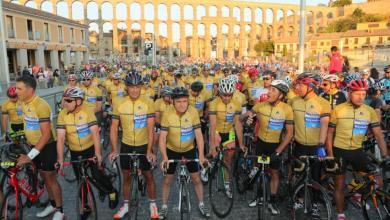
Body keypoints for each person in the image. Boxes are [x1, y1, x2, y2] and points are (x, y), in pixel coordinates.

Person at [326, 79, 389, 220]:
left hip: (357, 150)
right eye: (357, 94)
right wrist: (330, 154)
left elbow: (378, 134)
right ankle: (341, 213)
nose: (361, 97)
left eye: (363, 94)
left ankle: (356, 193)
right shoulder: (339, 109)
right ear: (349, 93)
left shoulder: (369, 111)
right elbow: (329, 133)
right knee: (339, 185)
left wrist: (385, 156)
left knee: (376, 180)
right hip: (339, 150)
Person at [56, 87, 119, 211]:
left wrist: (97, 153)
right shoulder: (62, 114)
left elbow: (95, 133)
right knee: (81, 180)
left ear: (78, 101)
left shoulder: (87, 112)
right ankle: (85, 206)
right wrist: (60, 159)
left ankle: (112, 192)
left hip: (90, 148)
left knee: (96, 175)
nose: (64, 103)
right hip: (75, 151)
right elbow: (61, 138)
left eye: (68, 101)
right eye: (64, 100)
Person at [109, 70, 159, 219]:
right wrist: (113, 149)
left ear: (141, 87)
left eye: (138, 86)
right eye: (132, 87)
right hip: (126, 144)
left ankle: (153, 204)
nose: (135, 90)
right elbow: (113, 128)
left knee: (149, 176)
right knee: (126, 177)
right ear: (127, 87)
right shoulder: (119, 103)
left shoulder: (148, 102)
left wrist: (150, 150)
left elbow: (151, 129)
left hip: (144, 144)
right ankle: (125, 205)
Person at [15, 76, 64, 220]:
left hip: (47, 146)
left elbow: (46, 135)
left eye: (19, 88)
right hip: (33, 146)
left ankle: (60, 210)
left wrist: (29, 156)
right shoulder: (23, 102)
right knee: (44, 176)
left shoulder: (41, 105)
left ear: (30, 90)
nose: (16, 91)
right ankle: (53, 203)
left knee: (50, 178)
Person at [158, 87, 209, 219]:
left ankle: (202, 203)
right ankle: (164, 207)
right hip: (172, 150)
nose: (182, 104)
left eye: (185, 101)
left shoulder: (193, 112)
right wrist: (164, 158)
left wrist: (202, 156)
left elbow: (198, 135)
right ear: (173, 102)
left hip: (189, 150)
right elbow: (162, 137)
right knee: (167, 180)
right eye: (179, 101)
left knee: (196, 178)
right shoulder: (167, 113)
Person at [244, 80, 294, 213]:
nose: (269, 92)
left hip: (275, 146)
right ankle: (259, 196)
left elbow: (289, 134)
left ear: (281, 95)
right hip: (261, 144)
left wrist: (278, 152)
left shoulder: (287, 109)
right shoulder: (261, 105)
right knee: (260, 169)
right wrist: (248, 117)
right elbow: (246, 114)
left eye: (273, 90)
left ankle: (272, 201)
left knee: (274, 173)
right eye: (269, 89)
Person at [290, 72, 331, 218]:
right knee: (299, 174)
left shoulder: (323, 103)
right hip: (299, 144)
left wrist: (321, 145)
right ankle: (300, 200)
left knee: (315, 177)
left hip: (315, 146)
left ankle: (314, 204)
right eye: (297, 84)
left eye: (301, 85)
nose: (297, 87)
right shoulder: (294, 101)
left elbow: (325, 126)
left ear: (311, 86)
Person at [209, 78, 247, 197]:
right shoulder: (214, 103)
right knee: (213, 154)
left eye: (229, 95)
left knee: (228, 161)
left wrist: (241, 143)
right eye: (224, 95)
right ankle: (206, 165)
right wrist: (212, 145)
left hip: (229, 132)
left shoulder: (236, 104)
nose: (226, 98)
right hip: (217, 131)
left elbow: (238, 125)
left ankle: (226, 184)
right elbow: (213, 125)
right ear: (220, 93)